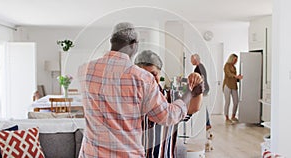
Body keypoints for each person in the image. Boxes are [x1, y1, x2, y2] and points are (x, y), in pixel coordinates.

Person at [78, 22, 204, 157]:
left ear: (111, 41)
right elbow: (168, 116)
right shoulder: (141, 78)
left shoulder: (85, 70)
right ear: (134, 44)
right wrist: (188, 92)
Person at [135, 50, 203, 158]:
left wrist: (197, 83)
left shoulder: (172, 98)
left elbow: (193, 108)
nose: (149, 80)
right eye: (144, 75)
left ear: (160, 73)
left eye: (153, 74)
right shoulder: (129, 100)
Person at [191, 54, 211, 130]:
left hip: (204, 89)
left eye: (192, 59)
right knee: (203, 106)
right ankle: (207, 123)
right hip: (205, 88)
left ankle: (207, 124)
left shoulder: (198, 68)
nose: (191, 61)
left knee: (201, 106)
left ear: (196, 59)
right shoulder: (200, 67)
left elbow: (198, 80)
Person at [223, 53, 243, 124]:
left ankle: (233, 116)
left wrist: (238, 78)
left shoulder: (234, 67)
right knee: (227, 102)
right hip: (227, 85)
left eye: (236, 60)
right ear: (231, 59)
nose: (236, 61)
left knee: (236, 101)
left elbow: (234, 77)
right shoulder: (226, 65)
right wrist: (236, 76)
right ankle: (227, 118)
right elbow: (228, 74)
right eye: (235, 60)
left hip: (234, 86)